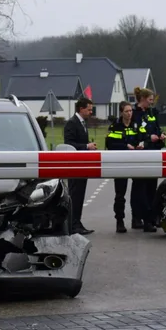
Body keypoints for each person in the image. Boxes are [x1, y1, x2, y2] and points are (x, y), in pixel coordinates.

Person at [131, 87, 166, 232]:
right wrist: (147, 138)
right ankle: (139, 218)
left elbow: (157, 128)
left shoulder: (152, 113)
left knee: (152, 187)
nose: (152, 103)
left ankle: (150, 217)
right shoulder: (134, 114)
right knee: (139, 188)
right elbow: (134, 133)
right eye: (150, 100)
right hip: (141, 154)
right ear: (143, 99)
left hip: (154, 153)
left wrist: (161, 136)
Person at [106, 101, 143, 233]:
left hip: (135, 162)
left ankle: (136, 218)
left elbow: (143, 137)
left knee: (137, 192)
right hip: (121, 163)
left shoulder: (136, 125)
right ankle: (119, 221)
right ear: (121, 112)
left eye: (131, 111)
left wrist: (141, 144)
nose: (129, 113)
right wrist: (125, 146)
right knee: (120, 194)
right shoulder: (115, 126)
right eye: (127, 111)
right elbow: (110, 144)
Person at [64, 97, 96, 235]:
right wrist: (86, 146)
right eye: (89, 109)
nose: (91, 112)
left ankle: (77, 222)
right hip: (75, 166)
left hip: (83, 166)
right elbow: (69, 144)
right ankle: (72, 224)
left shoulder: (82, 123)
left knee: (80, 196)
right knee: (75, 196)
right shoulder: (72, 123)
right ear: (81, 109)